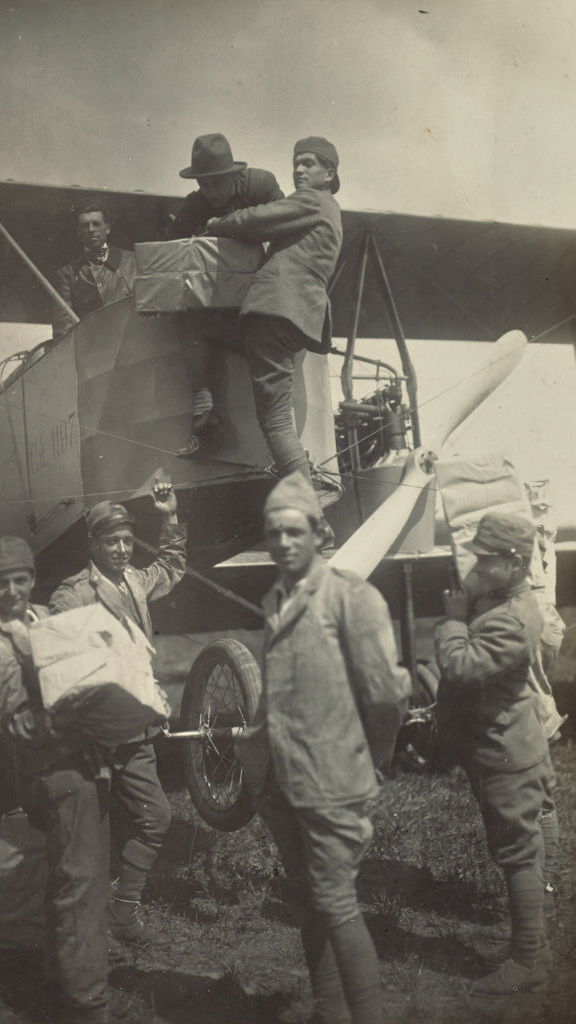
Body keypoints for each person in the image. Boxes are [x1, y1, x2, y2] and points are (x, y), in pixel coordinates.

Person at [235, 471, 411, 1024]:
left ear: (316, 532)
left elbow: (385, 697)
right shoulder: (275, 600)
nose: (283, 543)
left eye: (294, 531)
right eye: (273, 533)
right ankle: (328, 1009)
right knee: (306, 899)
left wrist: (372, 760)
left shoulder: (351, 598)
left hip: (334, 781)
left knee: (336, 903)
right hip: (282, 782)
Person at [0, 536, 111, 1024]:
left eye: (21, 578)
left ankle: (59, 979)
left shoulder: (41, 616)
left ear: (32, 577)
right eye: (0, 582)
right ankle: (88, 1005)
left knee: (66, 875)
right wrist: (85, 710)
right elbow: (24, 727)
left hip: (74, 763)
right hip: (51, 772)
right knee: (82, 882)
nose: (13, 590)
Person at [49, 481, 185, 944]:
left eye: (128, 540)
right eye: (113, 542)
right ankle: (74, 926)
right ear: (94, 544)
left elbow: (170, 566)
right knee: (86, 835)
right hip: (92, 738)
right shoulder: (74, 596)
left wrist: (168, 517)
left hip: (137, 731)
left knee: (155, 818)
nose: (123, 550)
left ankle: (123, 915)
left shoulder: (134, 582)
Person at [434, 511, 554, 996]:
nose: (476, 568)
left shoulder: (512, 618)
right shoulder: (505, 593)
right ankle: (540, 931)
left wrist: (452, 622)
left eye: (487, 560)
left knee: (517, 851)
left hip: (502, 748)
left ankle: (529, 959)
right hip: (510, 740)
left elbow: (461, 667)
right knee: (532, 827)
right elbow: (477, 582)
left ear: (516, 562)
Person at [205, 136, 343, 482]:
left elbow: (257, 219)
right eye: (296, 162)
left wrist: (216, 224)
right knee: (276, 418)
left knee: (276, 421)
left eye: (309, 163)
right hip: (293, 317)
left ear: (329, 174)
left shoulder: (314, 200)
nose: (298, 169)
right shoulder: (329, 210)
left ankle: (310, 516)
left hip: (274, 310)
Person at [165, 133, 284, 457]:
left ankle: (276, 435)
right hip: (220, 303)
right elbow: (170, 257)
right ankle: (203, 406)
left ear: (235, 175)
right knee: (184, 316)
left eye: (219, 183)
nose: (212, 192)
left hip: (264, 293)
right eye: (205, 184)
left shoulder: (262, 186)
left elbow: (288, 231)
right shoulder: (195, 204)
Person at [52, 198, 136, 340]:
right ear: (78, 232)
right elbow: (63, 329)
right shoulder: (68, 274)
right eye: (85, 226)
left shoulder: (134, 262)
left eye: (96, 224)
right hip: (92, 349)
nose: (91, 230)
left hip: (132, 344)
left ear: (107, 228)